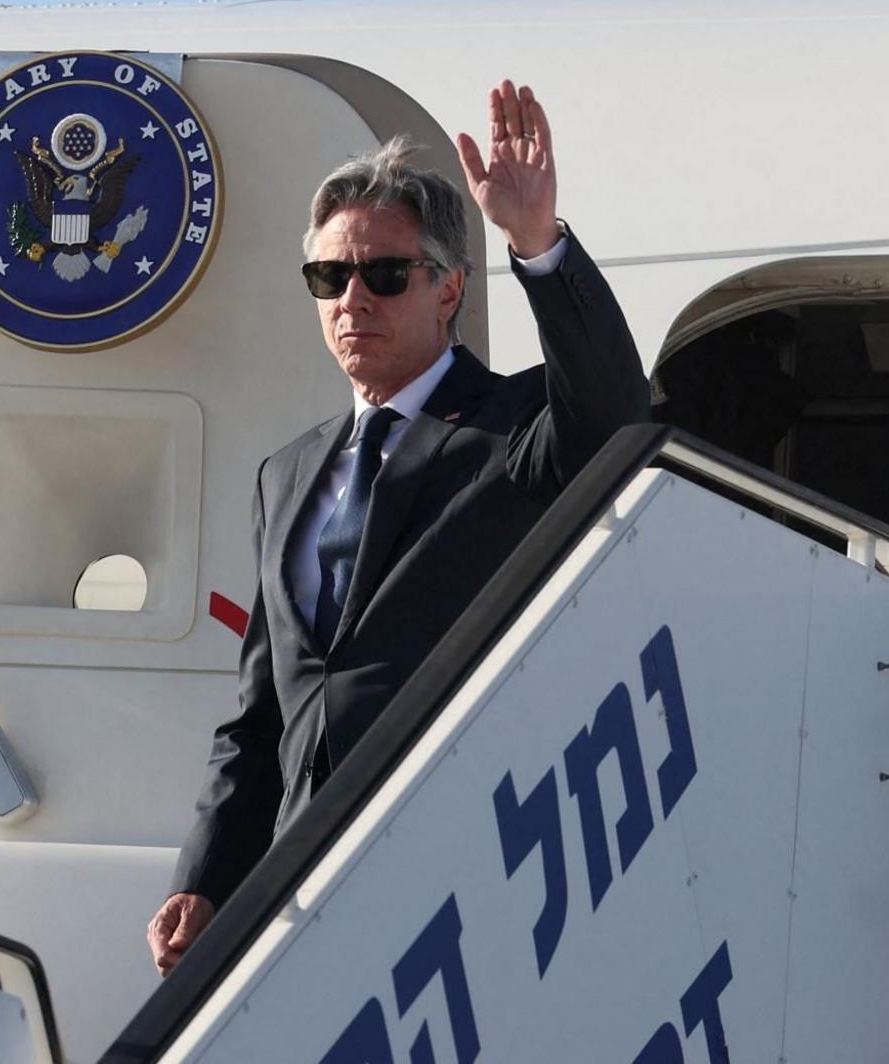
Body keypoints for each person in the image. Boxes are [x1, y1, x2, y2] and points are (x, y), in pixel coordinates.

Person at [146, 81, 649, 974]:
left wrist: (537, 245)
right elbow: (265, 715)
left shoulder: (512, 426)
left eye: (384, 275)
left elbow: (612, 414)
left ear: (449, 291)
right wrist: (208, 879)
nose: (353, 299)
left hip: (463, 863)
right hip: (304, 884)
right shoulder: (288, 473)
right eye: (329, 277)